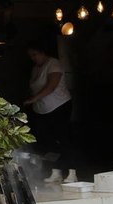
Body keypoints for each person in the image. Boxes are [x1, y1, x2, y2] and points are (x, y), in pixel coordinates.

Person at [24, 40, 72, 181]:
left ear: (43, 52)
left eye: (35, 54)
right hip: (42, 109)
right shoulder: (36, 68)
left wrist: (33, 99)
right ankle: (55, 172)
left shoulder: (53, 64)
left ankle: (71, 172)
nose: (33, 58)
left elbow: (51, 86)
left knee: (63, 139)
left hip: (59, 106)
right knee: (49, 142)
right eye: (31, 56)